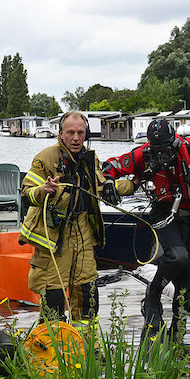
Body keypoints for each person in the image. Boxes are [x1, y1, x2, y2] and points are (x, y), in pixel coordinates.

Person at [103, 119, 190, 342]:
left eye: (164, 150)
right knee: (177, 257)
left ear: (174, 142)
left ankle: (178, 332)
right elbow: (110, 167)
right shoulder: (143, 154)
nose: (161, 155)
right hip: (165, 211)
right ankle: (153, 293)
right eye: (156, 151)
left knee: (189, 277)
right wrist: (108, 183)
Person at [19, 111, 131, 323]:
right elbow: (26, 194)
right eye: (70, 132)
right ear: (60, 133)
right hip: (53, 240)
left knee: (87, 295)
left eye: (81, 132)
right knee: (53, 298)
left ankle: (86, 348)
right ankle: (52, 351)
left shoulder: (90, 158)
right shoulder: (45, 159)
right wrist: (44, 190)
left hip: (82, 236)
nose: (76, 137)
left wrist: (131, 185)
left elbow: (98, 187)